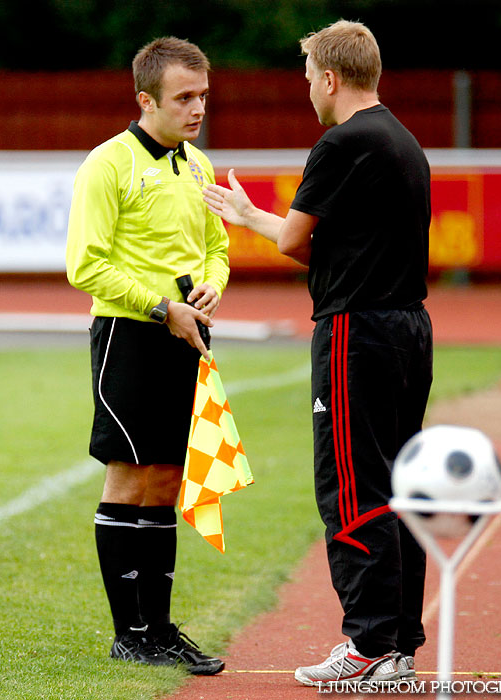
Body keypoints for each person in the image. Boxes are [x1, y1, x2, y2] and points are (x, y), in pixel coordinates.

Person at [203, 19, 432, 687]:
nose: (307, 91)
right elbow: (319, 245)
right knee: (396, 485)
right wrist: (251, 217)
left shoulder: (342, 143)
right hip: (408, 330)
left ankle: (365, 644)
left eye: (308, 79)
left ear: (330, 78)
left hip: (354, 332)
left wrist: (249, 219)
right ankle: (396, 647)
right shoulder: (403, 140)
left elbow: (293, 240)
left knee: (352, 487)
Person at [66, 36, 229, 675]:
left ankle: (157, 630)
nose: (197, 109)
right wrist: (163, 307)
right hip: (131, 338)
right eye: (184, 98)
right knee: (129, 475)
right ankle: (128, 631)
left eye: (203, 97)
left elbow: (215, 246)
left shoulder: (200, 166)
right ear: (146, 100)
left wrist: (214, 279)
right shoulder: (106, 165)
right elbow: (85, 264)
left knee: (166, 478)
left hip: (189, 336)